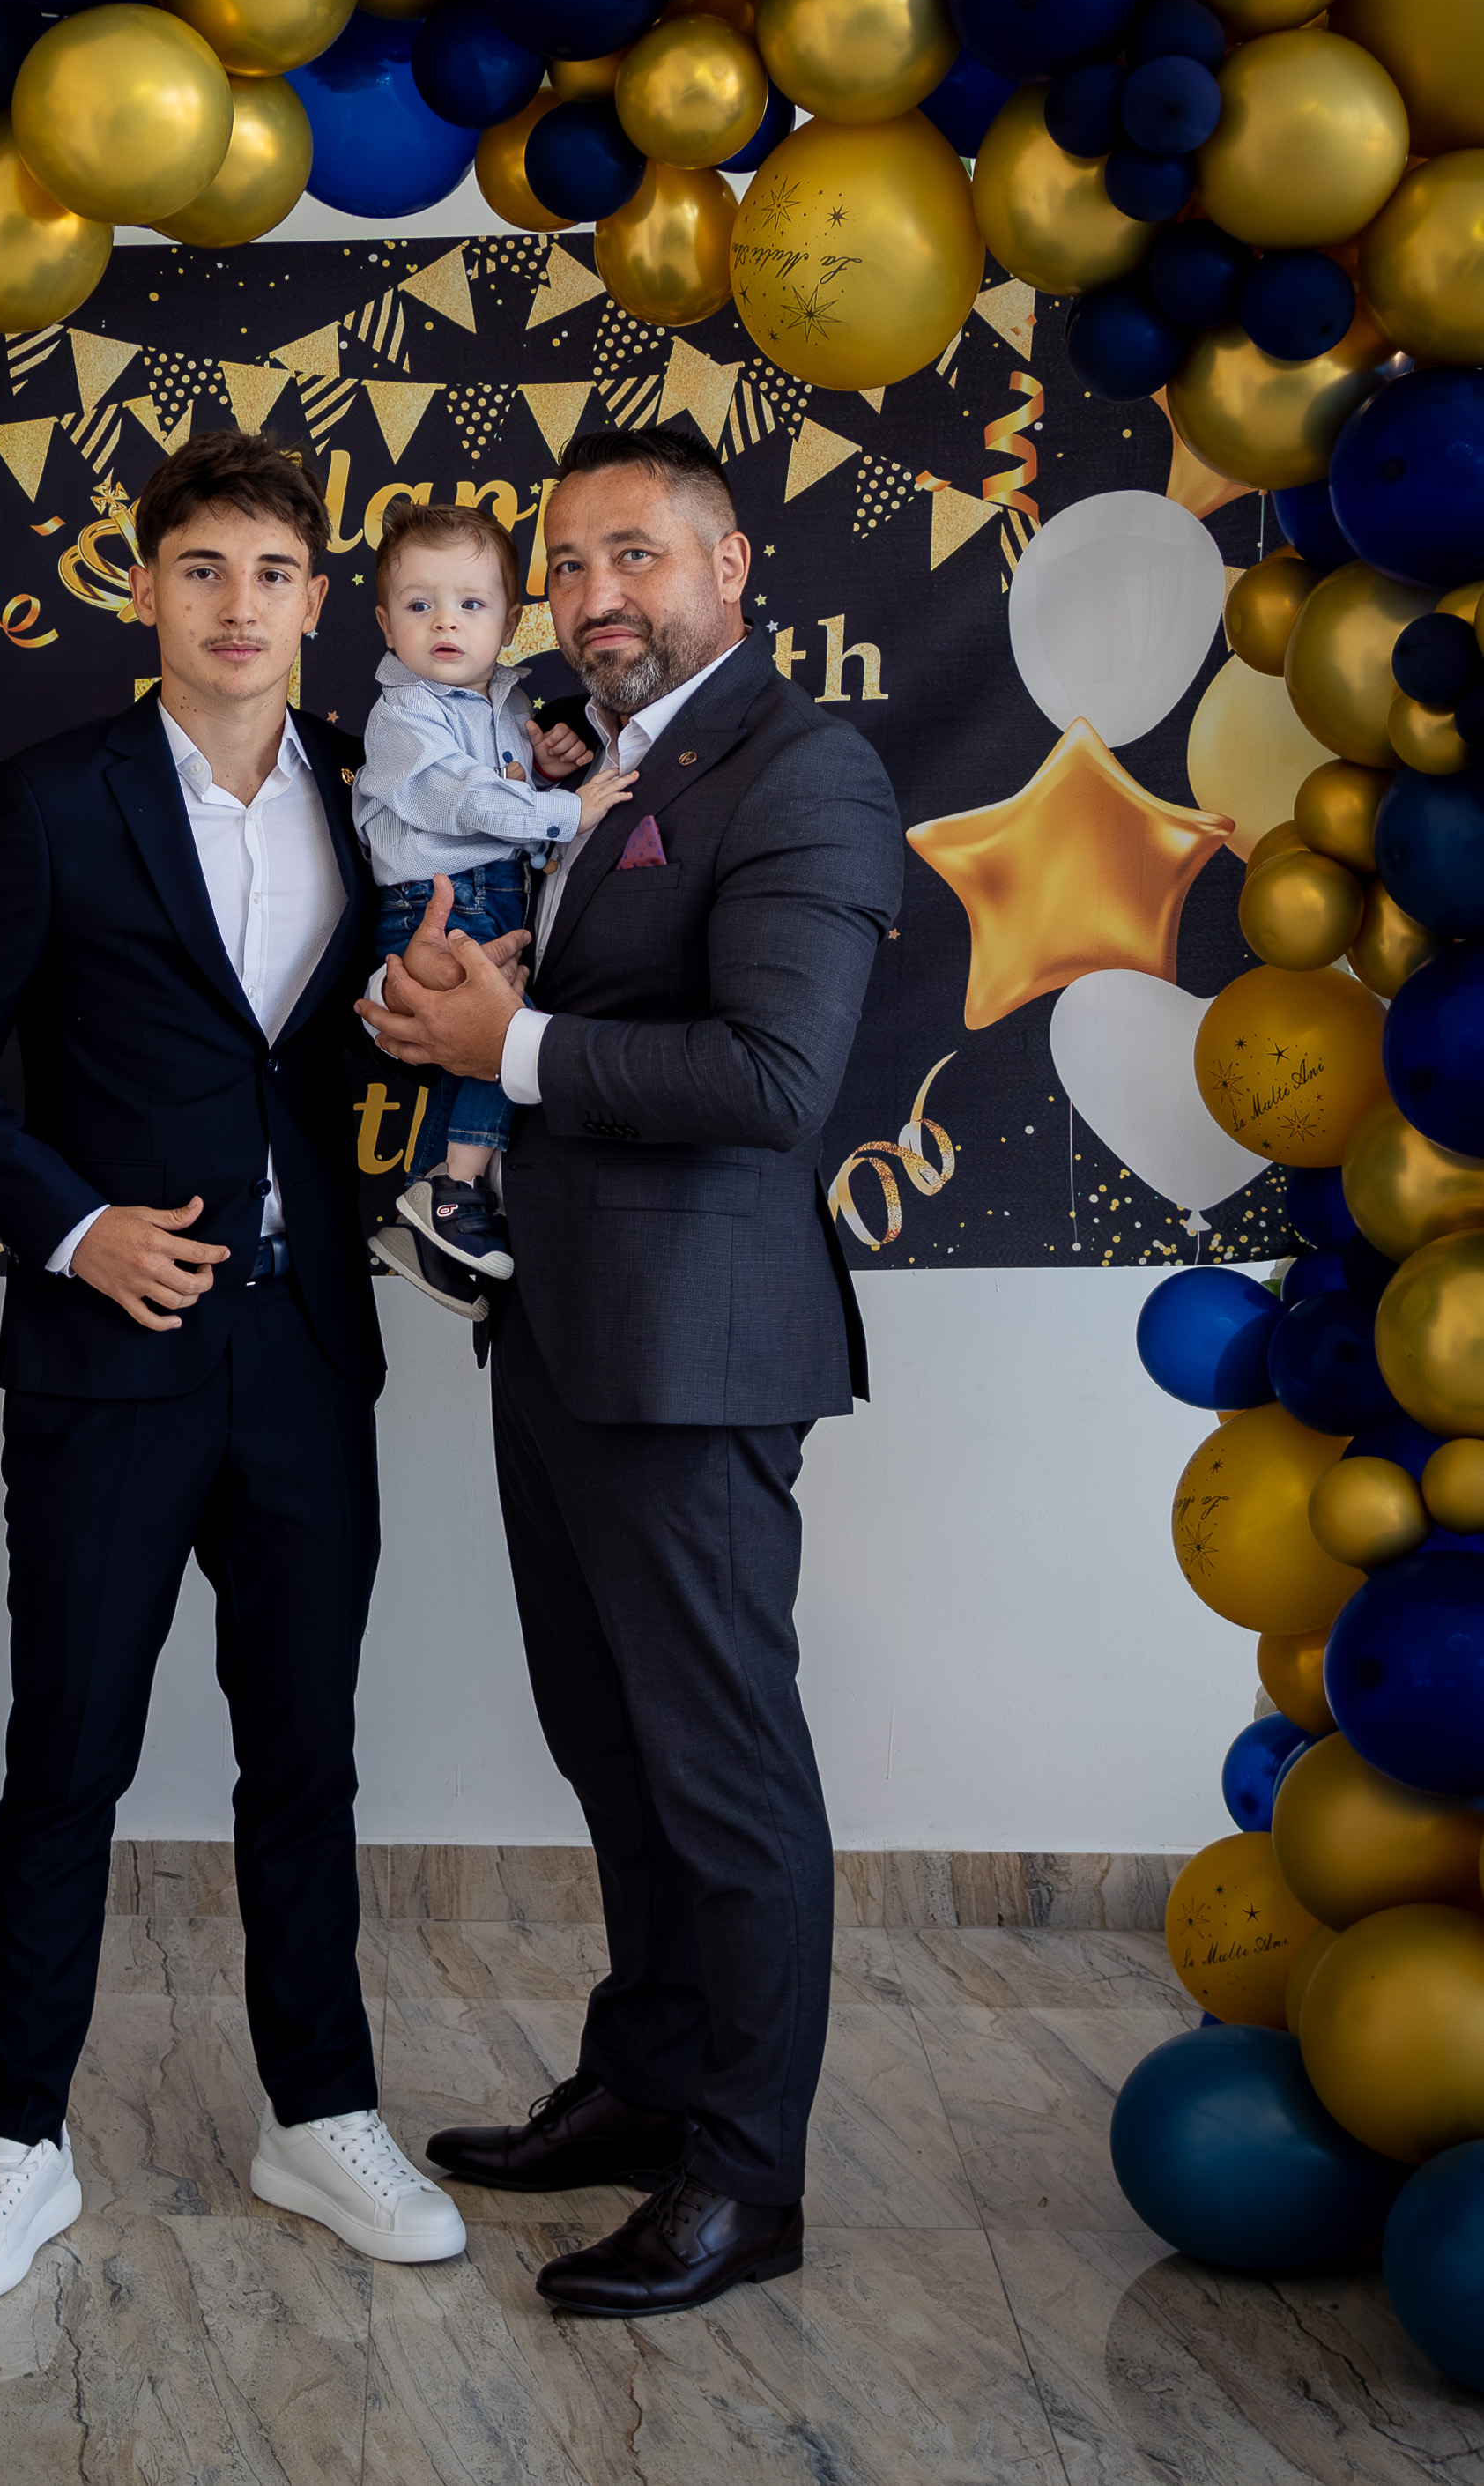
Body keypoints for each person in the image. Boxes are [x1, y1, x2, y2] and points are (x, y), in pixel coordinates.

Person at [0, 430, 519, 2305]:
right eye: (201, 570)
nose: (238, 606)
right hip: (109, 1346)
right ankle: (14, 2139)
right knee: (66, 1751)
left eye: (271, 573)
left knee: (302, 1752)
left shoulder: (381, 789)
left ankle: (318, 2112)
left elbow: (380, 1033)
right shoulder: (50, 794)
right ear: (144, 589)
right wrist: (75, 1224)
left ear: (321, 600)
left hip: (306, 1346)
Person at [358, 424, 903, 2321]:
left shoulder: (802, 767)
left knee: (722, 1768)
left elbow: (770, 1079)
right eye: (567, 564)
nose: (594, 595)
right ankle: (646, 2080)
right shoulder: (579, 766)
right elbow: (552, 1011)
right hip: (560, 1328)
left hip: (693, 1349)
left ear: (728, 567)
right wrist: (449, 1014)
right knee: (613, 1746)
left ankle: (745, 2178)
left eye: (634, 555)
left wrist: (504, 1049)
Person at [353, 499, 636, 1307]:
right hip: (439, 902)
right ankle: (454, 1187)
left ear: (510, 622)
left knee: (482, 1040)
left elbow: (501, 778)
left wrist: (542, 769)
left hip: (496, 894)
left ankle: (437, 1191)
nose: (445, 621)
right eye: (419, 604)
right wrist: (567, 809)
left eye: (471, 604)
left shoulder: (508, 704)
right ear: (385, 623)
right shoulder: (404, 714)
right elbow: (462, 798)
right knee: (504, 1032)